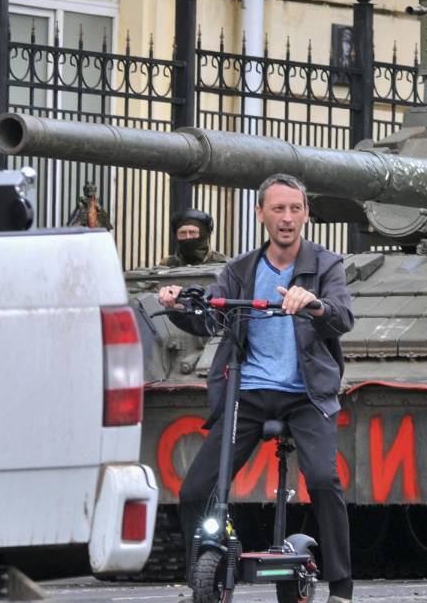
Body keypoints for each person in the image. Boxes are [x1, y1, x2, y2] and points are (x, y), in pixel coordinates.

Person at [157, 174, 355, 603]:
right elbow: (209, 318)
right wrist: (177, 306)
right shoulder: (241, 270)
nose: (287, 218)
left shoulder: (326, 266)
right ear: (260, 213)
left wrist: (314, 303)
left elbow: (341, 317)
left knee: (323, 479)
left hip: (307, 395)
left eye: (295, 209)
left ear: (305, 214)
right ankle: (210, 564)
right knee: (195, 491)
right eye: (278, 209)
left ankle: (340, 586)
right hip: (247, 393)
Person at [158, 209, 227, 266]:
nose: (188, 237)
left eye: (192, 232)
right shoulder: (167, 264)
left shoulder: (223, 263)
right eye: (182, 233)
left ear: (204, 234)